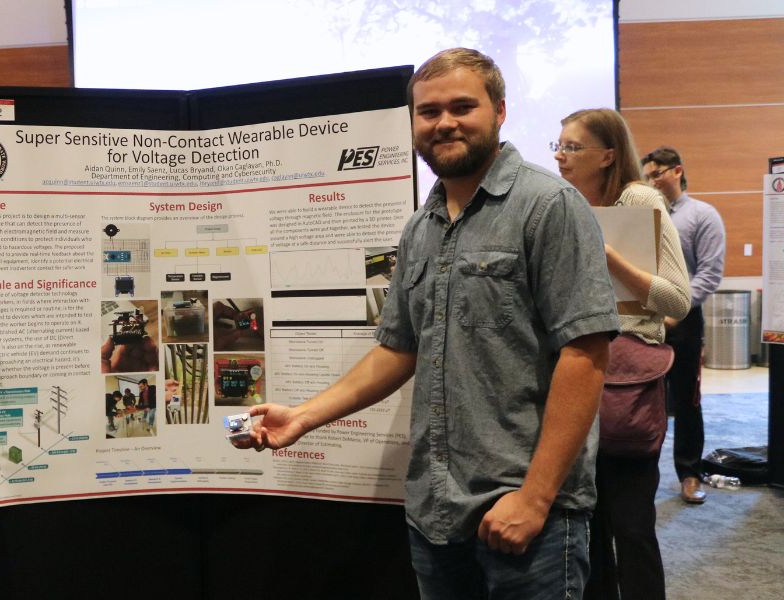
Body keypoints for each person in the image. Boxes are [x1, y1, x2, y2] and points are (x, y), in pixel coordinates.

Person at [232, 48, 619, 600]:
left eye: (463, 106)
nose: (444, 123)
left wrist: (535, 498)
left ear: (501, 111)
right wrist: (302, 417)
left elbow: (586, 356)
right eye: (428, 111)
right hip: (436, 513)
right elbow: (398, 349)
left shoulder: (549, 206)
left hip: (527, 514)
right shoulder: (421, 229)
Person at [557, 108, 690, 600]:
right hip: (572, 376)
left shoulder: (638, 198)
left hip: (626, 383)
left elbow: (677, 300)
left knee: (631, 527)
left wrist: (609, 258)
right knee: (583, 527)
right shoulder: (564, 204)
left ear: (608, 154)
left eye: (572, 147)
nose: (559, 155)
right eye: (559, 144)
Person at [640, 146, 726, 505]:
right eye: (647, 175)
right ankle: (640, 474)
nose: (651, 181)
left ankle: (689, 475)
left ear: (678, 171)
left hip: (685, 322)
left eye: (657, 173)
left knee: (687, 402)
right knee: (641, 400)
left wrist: (676, 312)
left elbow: (709, 273)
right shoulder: (641, 215)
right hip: (644, 318)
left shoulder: (702, 215)